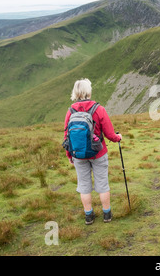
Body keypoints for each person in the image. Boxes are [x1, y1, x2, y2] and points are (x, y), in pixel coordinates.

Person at [63, 78, 122, 225]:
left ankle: (88, 216)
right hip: (98, 153)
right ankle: (107, 214)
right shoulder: (98, 109)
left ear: (75, 92)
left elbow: (67, 136)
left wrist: (70, 155)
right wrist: (118, 138)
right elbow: (109, 134)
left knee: (84, 186)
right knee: (102, 184)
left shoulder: (70, 112)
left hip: (79, 155)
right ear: (88, 91)